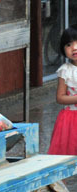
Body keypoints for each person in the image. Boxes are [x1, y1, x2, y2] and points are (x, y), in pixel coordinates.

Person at [49, 27, 77, 155]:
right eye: (69, 45)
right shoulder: (65, 70)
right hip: (71, 119)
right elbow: (60, 98)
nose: (74, 48)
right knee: (70, 154)